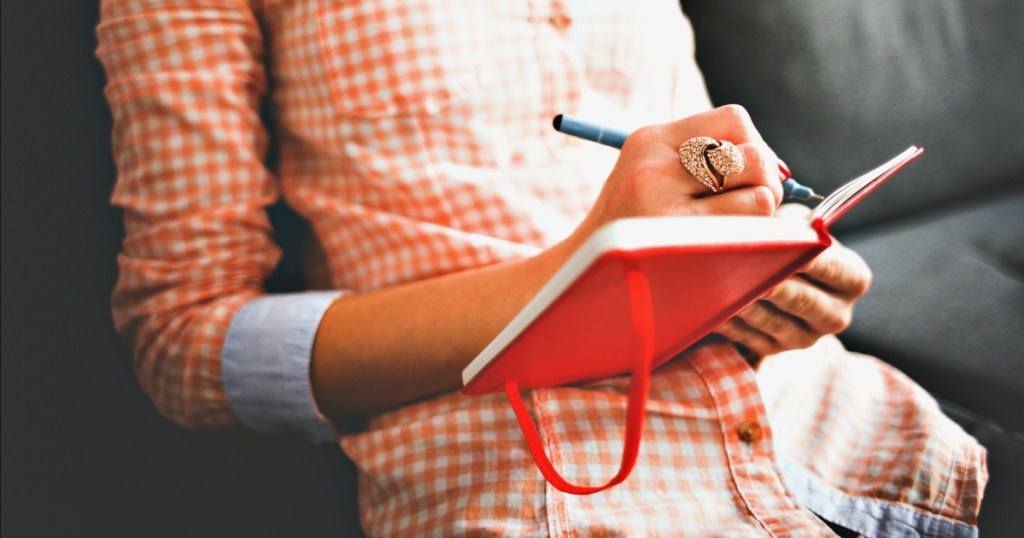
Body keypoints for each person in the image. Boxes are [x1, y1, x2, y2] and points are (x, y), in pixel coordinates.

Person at [96, 1, 986, 536]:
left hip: (847, 439)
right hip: (540, 482)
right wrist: (579, 272)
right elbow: (183, 343)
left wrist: (762, 259)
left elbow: (694, 167)